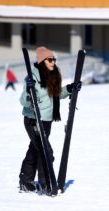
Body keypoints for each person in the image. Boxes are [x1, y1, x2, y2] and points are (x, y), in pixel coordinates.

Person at [19, 46, 81, 195]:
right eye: (50, 60)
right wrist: (29, 91)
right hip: (33, 120)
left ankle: (25, 181)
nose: (53, 62)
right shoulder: (31, 78)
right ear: (42, 61)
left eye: (54, 59)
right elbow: (23, 101)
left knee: (35, 149)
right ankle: (45, 182)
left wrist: (70, 88)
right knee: (46, 151)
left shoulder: (51, 76)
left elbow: (56, 95)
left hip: (46, 121)